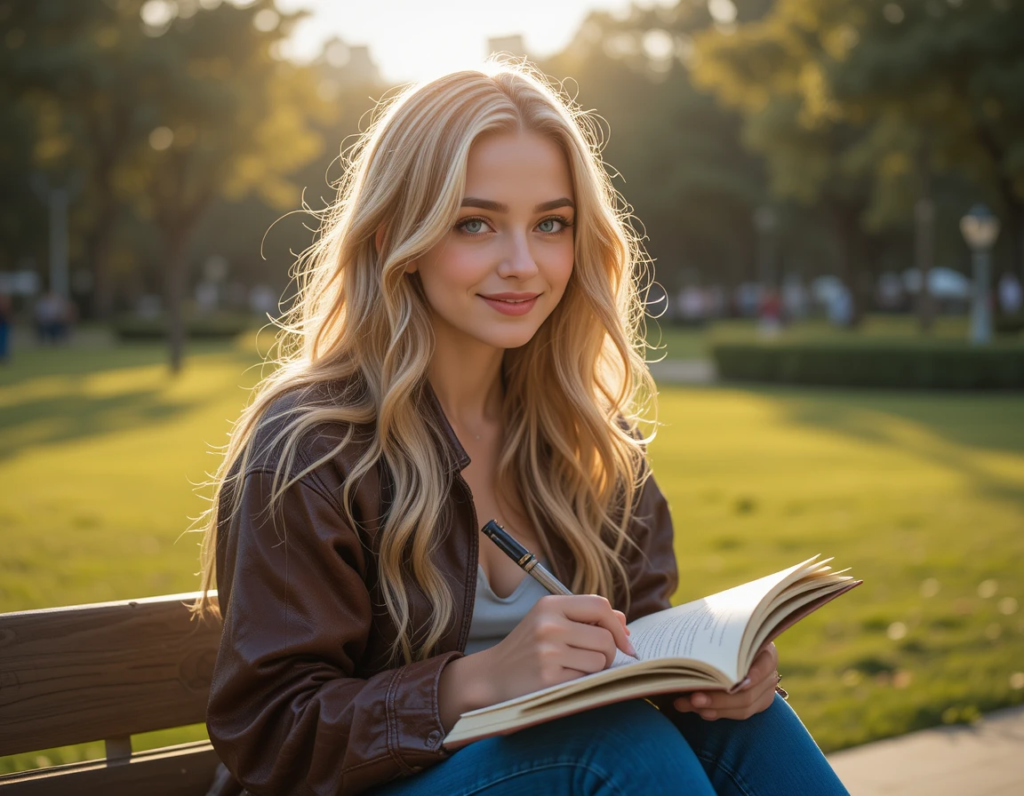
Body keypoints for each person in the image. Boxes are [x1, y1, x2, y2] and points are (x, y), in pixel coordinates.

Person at [191, 61, 849, 796]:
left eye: (551, 225)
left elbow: (642, 632)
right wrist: (474, 682)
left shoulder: (586, 433)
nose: (523, 264)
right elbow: (272, 731)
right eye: (475, 223)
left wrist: (714, 680)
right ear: (390, 238)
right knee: (613, 749)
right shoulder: (311, 448)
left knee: (746, 725)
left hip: (561, 770)